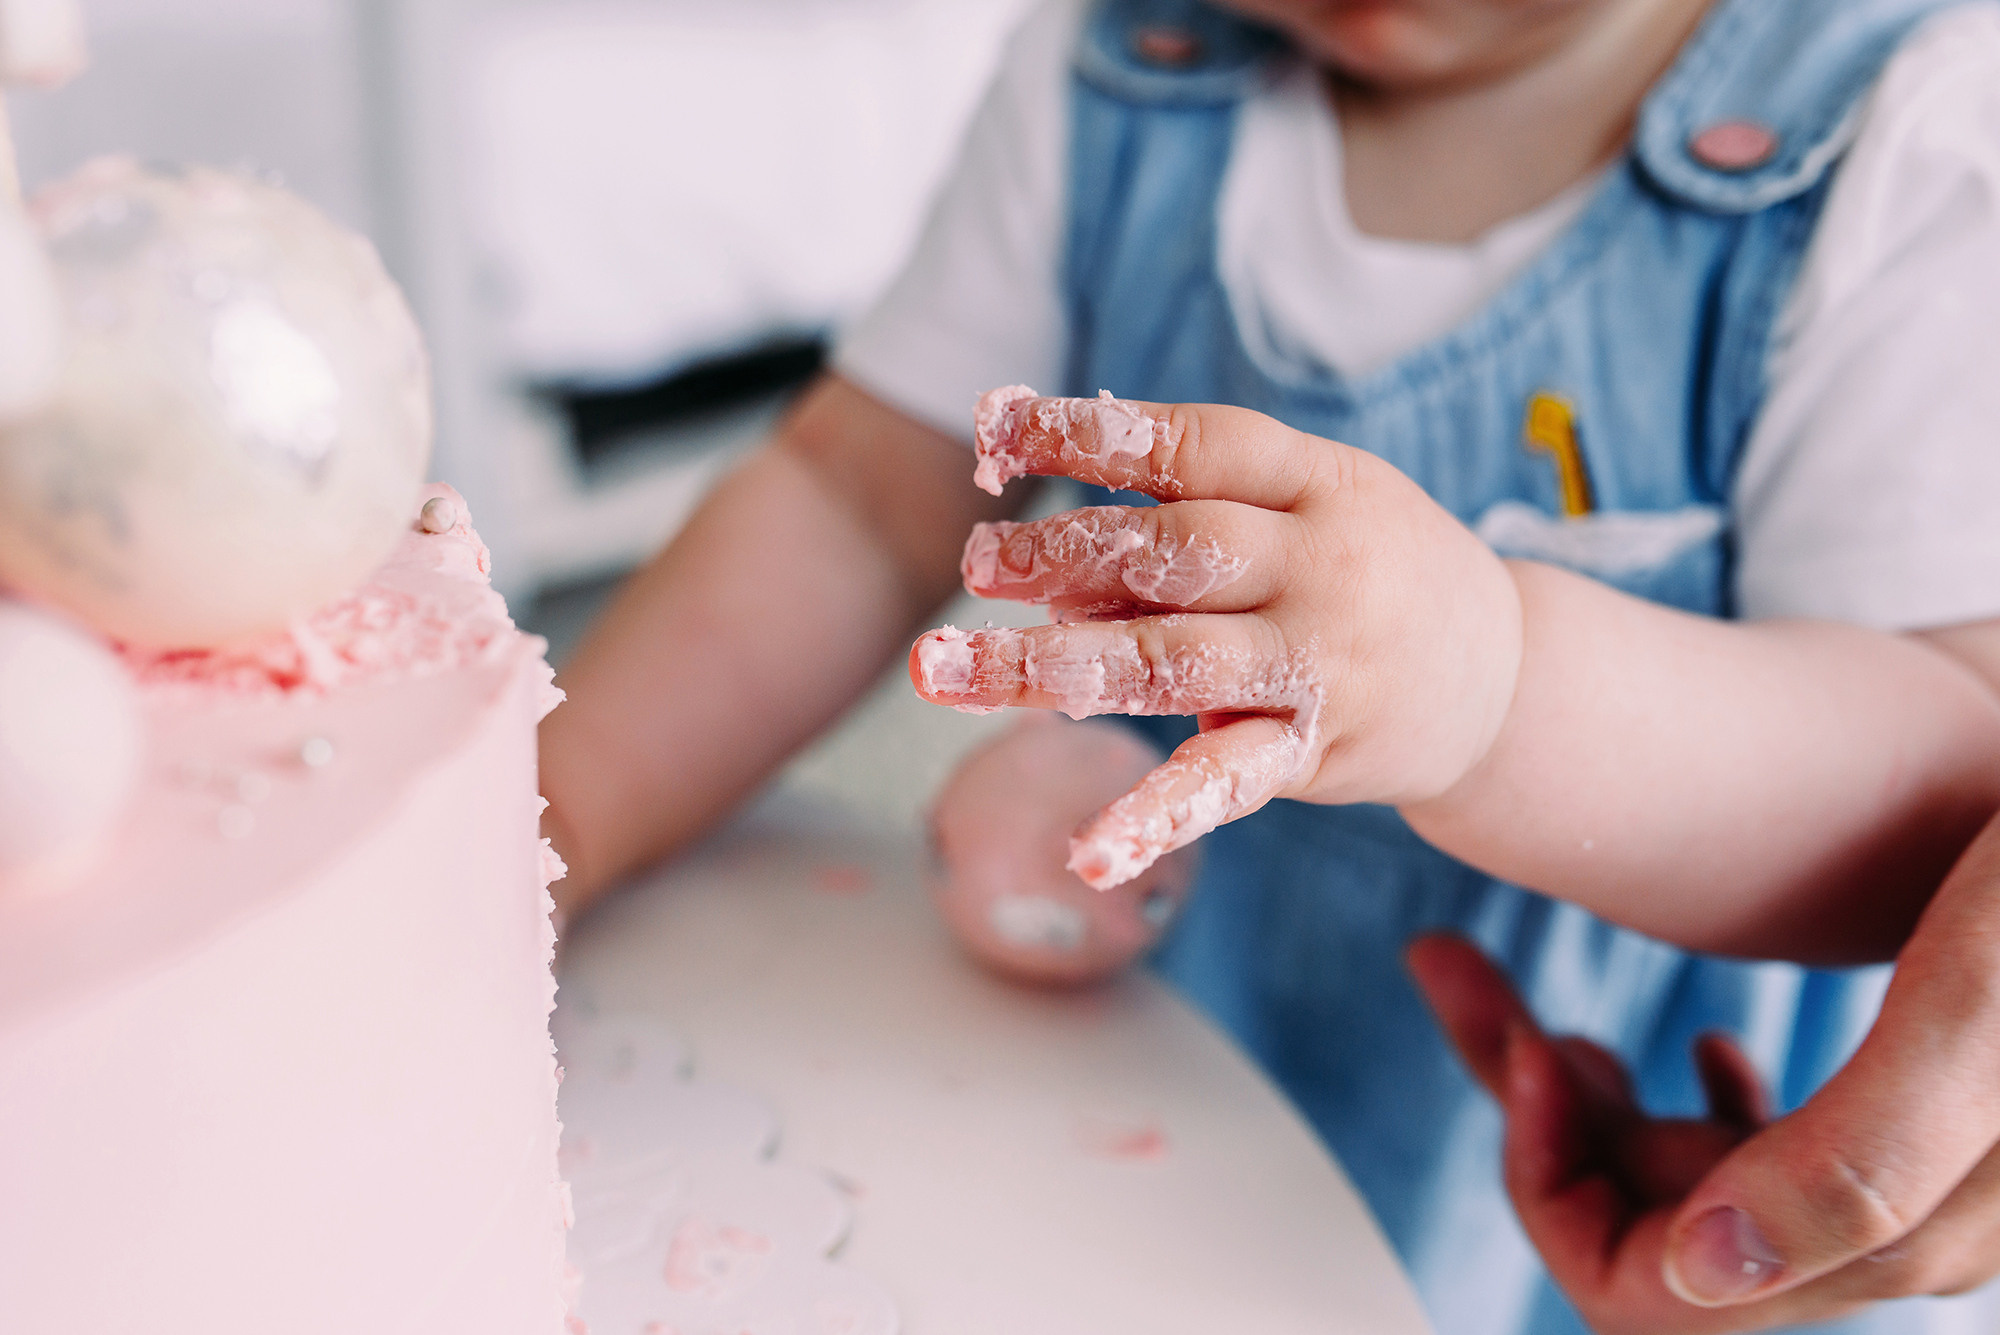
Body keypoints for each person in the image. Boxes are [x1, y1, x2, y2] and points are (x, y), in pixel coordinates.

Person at [539, 0, 2000, 1328]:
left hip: (1650, 1201)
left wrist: (1490, 690)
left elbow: (1937, 783)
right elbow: (856, 503)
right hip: (1194, 1095)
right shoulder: (1120, 75)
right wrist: (563, 813)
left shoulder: (1903, 138)